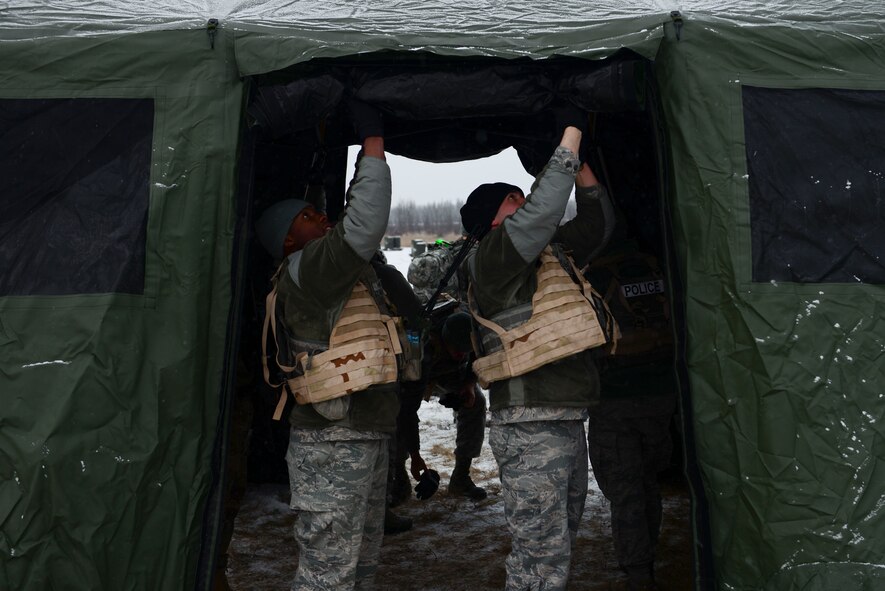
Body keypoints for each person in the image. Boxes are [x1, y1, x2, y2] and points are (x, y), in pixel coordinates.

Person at [460, 110, 615, 591]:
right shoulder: (492, 257)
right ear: (493, 219)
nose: (526, 203)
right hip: (529, 423)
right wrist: (569, 139)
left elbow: (598, 224)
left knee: (558, 544)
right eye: (514, 200)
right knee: (540, 557)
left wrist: (579, 163)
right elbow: (544, 210)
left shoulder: (550, 252)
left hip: (565, 416)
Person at [256, 100, 397, 590]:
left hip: (360, 433)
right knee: (328, 576)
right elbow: (364, 223)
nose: (322, 218)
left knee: (360, 568)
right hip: (333, 443)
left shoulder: (324, 270)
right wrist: (372, 142)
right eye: (308, 216)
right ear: (288, 243)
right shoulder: (310, 268)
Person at [583, 227, 678, 591]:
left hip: (615, 399)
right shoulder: (657, 267)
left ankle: (639, 572)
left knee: (625, 491)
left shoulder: (595, 276)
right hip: (661, 395)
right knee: (648, 482)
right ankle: (647, 555)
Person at [405, 243, 488, 501]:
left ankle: (461, 478)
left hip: (449, 371)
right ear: (445, 340)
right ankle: (396, 479)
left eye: (465, 352)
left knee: (476, 402)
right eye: (457, 351)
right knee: (395, 414)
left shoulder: (469, 328)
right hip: (415, 373)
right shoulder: (423, 346)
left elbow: (475, 356)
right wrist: (416, 456)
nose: (462, 355)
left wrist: (468, 383)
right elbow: (407, 410)